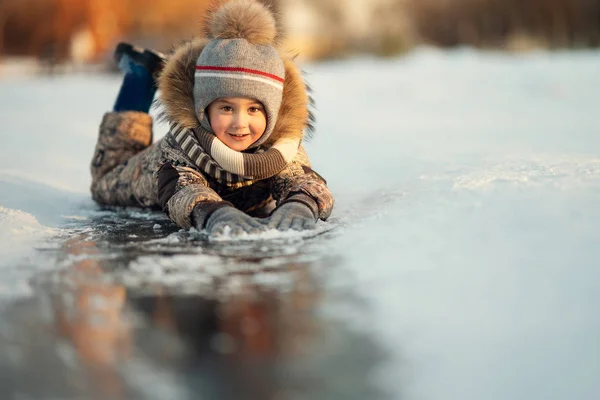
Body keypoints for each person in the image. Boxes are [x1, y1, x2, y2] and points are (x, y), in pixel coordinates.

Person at [90, 0, 334, 237]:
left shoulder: (281, 145)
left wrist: (301, 204)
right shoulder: (184, 145)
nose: (240, 123)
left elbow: (301, 179)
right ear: (203, 110)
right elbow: (182, 189)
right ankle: (140, 76)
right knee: (106, 180)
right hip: (135, 175)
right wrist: (211, 212)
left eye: (254, 110)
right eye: (227, 108)